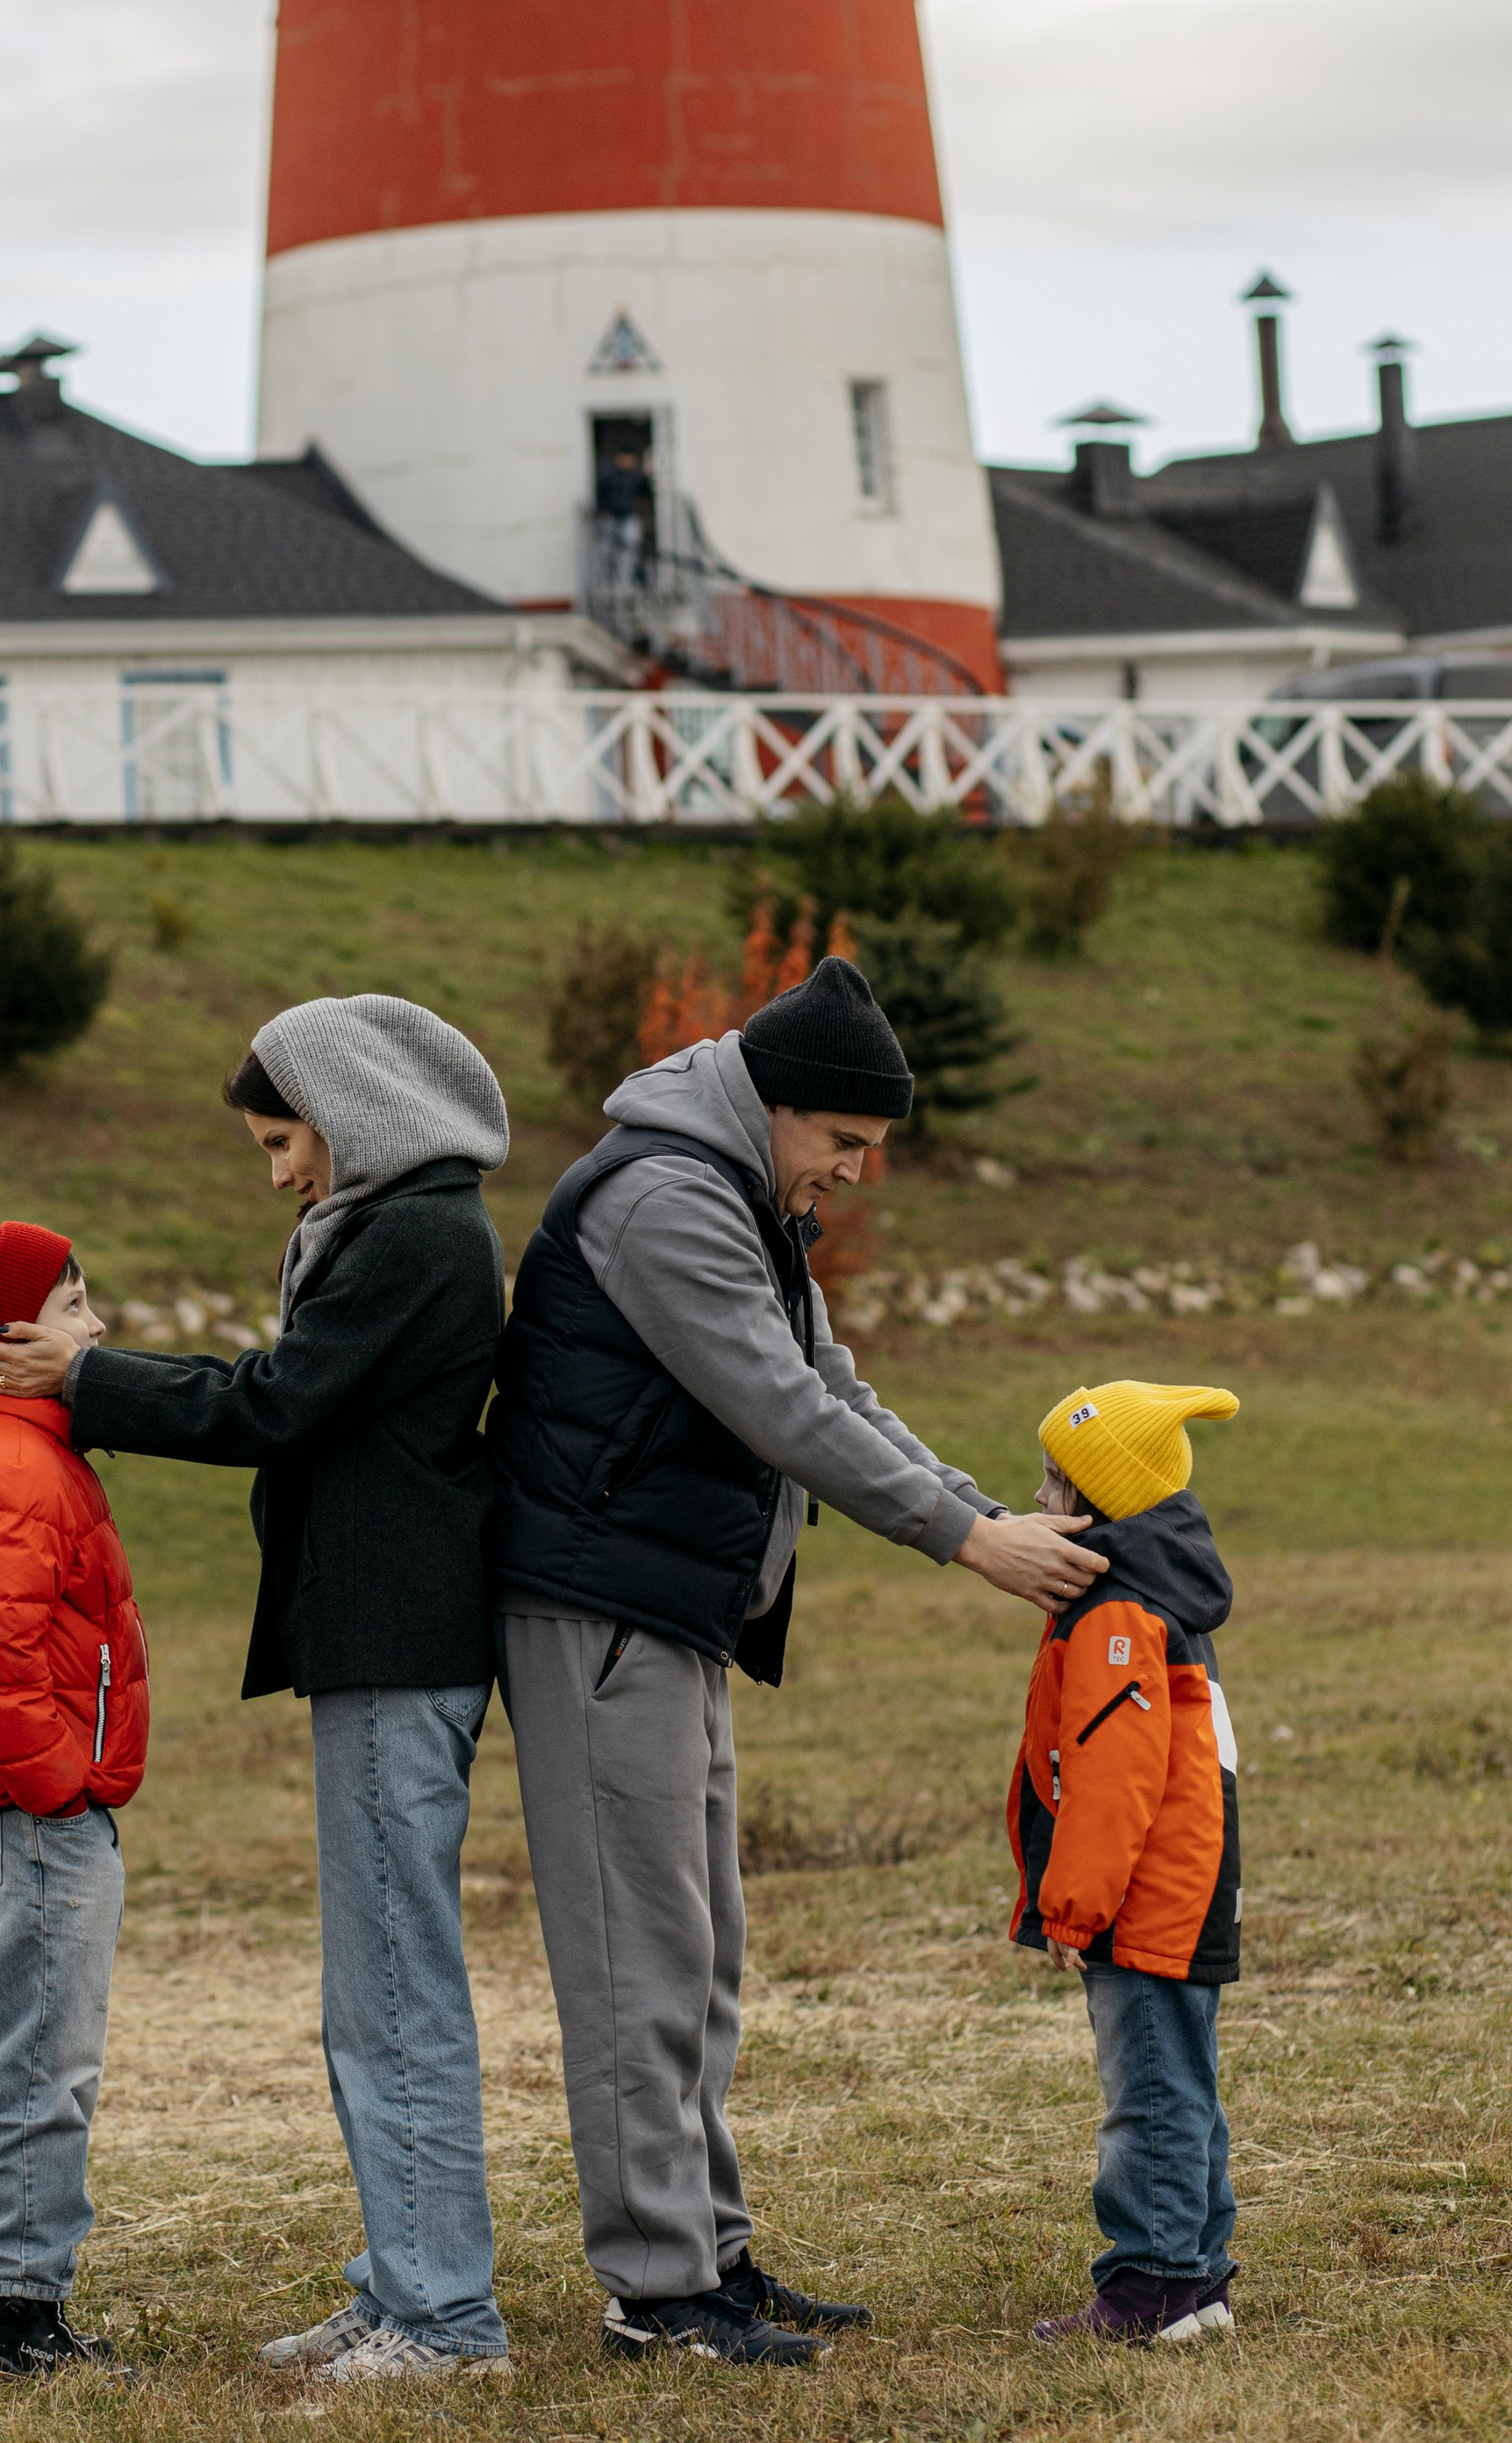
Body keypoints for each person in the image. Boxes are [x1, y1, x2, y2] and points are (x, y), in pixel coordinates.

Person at [490, 955, 1111, 2370]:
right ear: (779, 1107)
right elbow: (776, 1408)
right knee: (636, 1958)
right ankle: (657, 2295)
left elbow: (837, 1387)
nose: (854, 1176)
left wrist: (985, 1510)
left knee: (701, 1955)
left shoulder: (744, 1196)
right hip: (595, 1612)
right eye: (846, 1146)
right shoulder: (664, 1200)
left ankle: (710, 2252)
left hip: (670, 1611)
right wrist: (968, 1542)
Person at [0, 993, 513, 2387]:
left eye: (285, 1140)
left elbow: (275, 1404)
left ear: (354, 1114)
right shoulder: (389, 1227)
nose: (278, 1170)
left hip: (398, 1643)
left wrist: (90, 1380)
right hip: (375, 1642)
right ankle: (398, 2285)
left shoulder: (419, 1235)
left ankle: (443, 2320)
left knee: (393, 1989)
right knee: (371, 1985)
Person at [0, 1217, 149, 2382]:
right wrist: (62, 1795)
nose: (95, 1325)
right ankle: (20, 2319)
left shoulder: (30, 1454)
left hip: (22, 1811)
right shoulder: (14, 1464)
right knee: (43, 2064)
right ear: (6, 1339)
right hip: (31, 1816)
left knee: (13, 2054)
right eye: (71, 1306)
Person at [1009, 1378, 1243, 2347]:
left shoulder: (1116, 1611)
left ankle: (1149, 2288)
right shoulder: (1157, 1593)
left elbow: (1113, 1779)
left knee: (1148, 2091)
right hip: (1184, 1892)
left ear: (1100, 1504)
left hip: (1144, 1904)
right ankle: (1197, 2280)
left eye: (1053, 1487)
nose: (1035, 1504)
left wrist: (1072, 1908)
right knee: (1182, 2083)